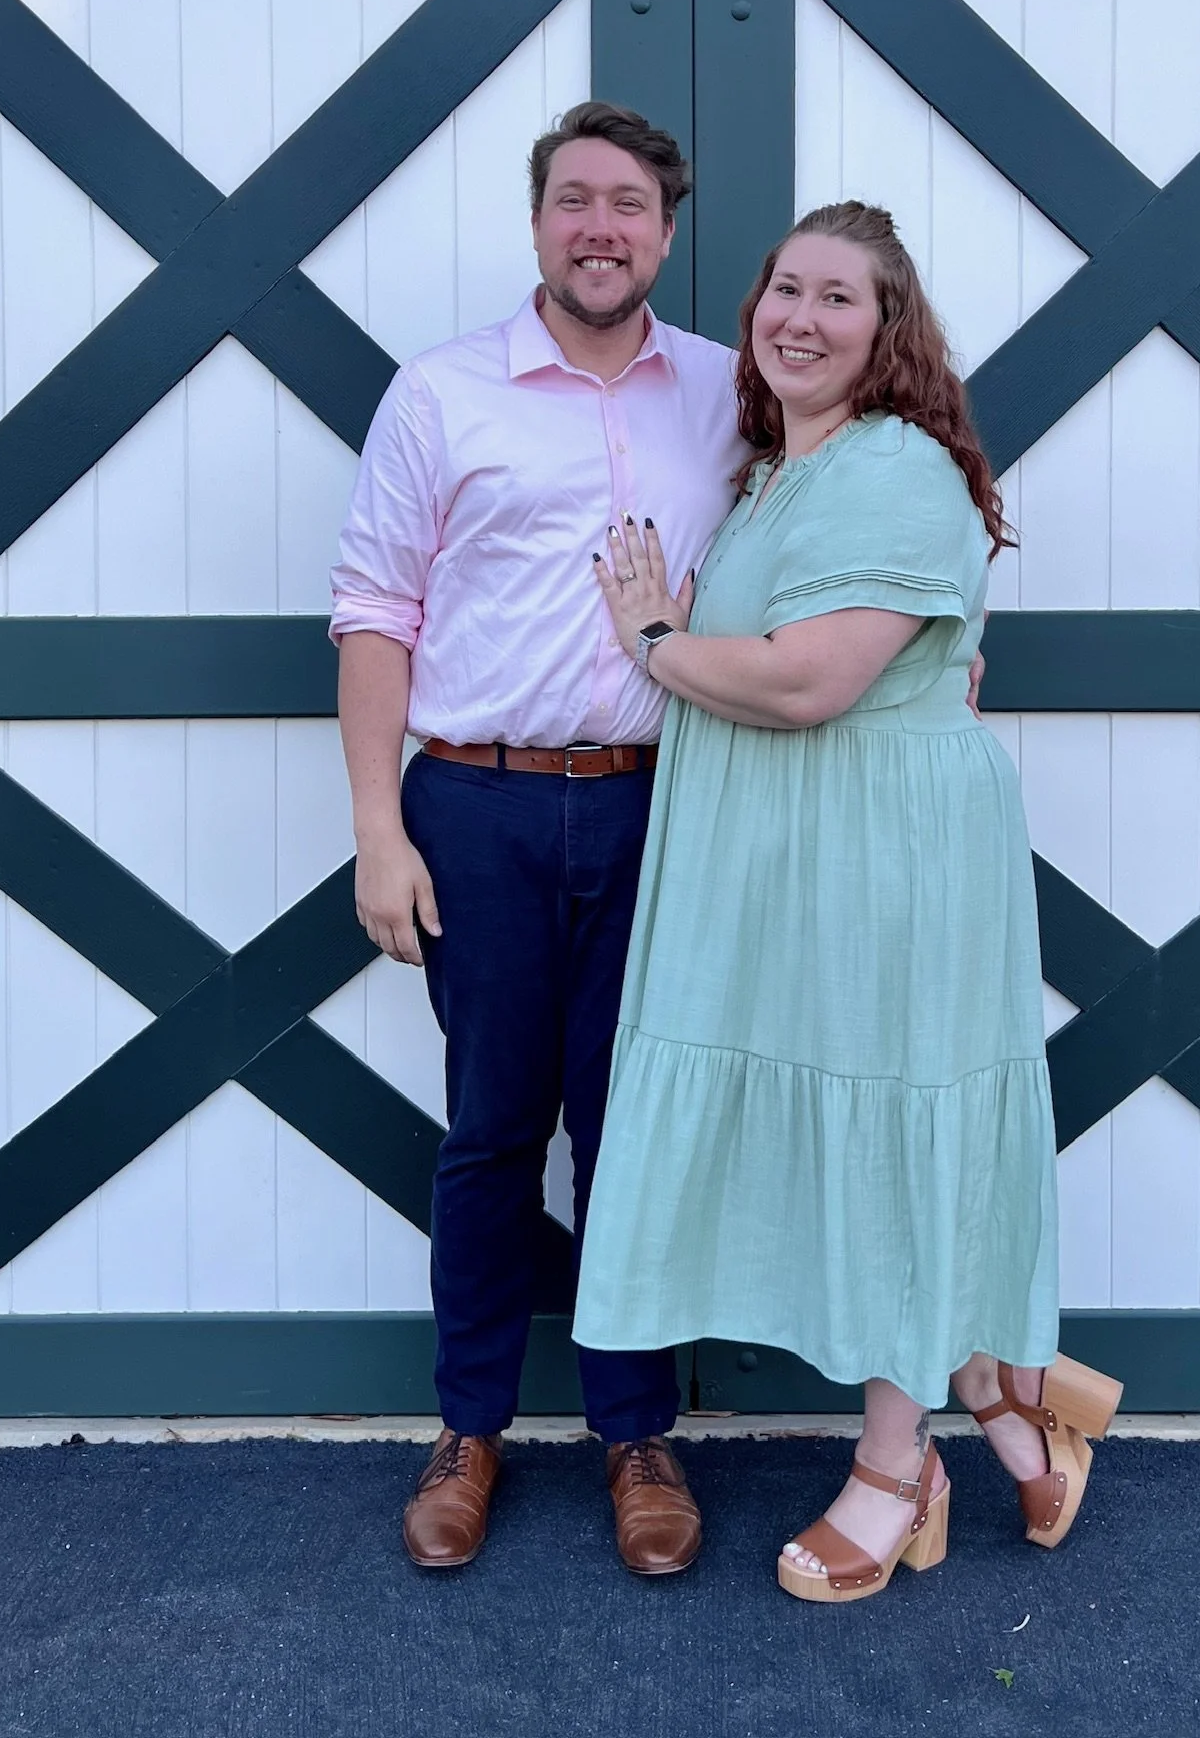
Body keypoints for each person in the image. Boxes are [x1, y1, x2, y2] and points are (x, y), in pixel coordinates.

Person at [574, 201, 1123, 1605]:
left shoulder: (892, 466)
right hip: (799, 849)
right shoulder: (775, 474)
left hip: (879, 852)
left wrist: (655, 640)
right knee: (858, 1120)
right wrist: (702, 643)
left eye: (838, 298)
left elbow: (809, 682)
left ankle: (902, 1462)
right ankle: (1004, 1390)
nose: (799, 318)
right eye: (783, 290)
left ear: (890, 336)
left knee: (883, 1124)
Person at [330, 101, 747, 1576]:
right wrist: (379, 832)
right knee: (494, 1128)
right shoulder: (443, 393)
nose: (599, 228)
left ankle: (638, 1436)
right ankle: (472, 1433)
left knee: (631, 1133)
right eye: (574, 200)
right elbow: (376, 611)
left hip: (660, 802)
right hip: (479, 802)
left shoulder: (723, 391)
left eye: (627, 205)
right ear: (536, 223)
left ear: (666, 232)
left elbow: (828, 533)